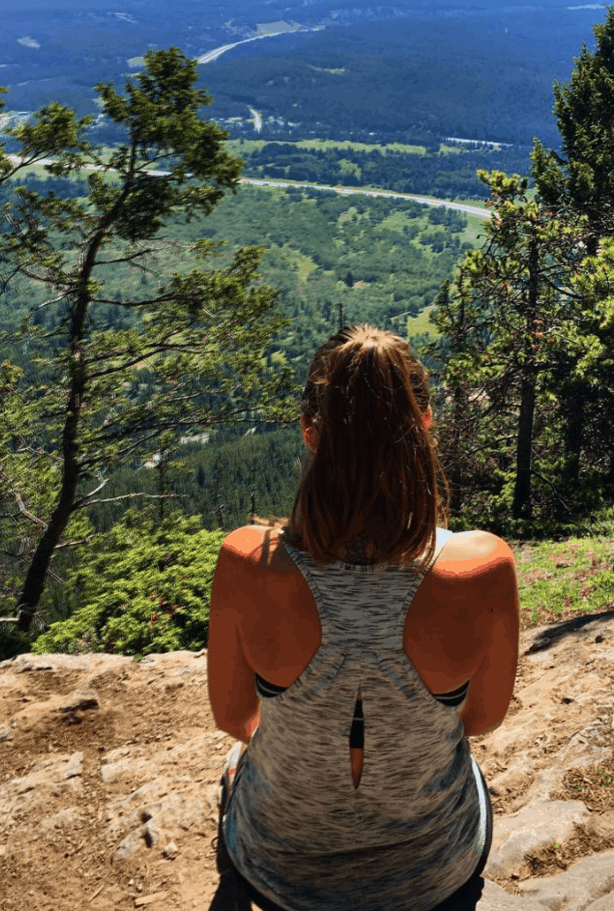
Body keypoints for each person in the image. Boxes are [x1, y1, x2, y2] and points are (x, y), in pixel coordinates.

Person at [207, 324, 520, 911]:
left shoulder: (245, 560)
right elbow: (478, 721)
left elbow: (234, 717)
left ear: (310, 433)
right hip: (432, 875)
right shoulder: (484, 566)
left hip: (279, 874)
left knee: (240, 765)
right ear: (424, 424)